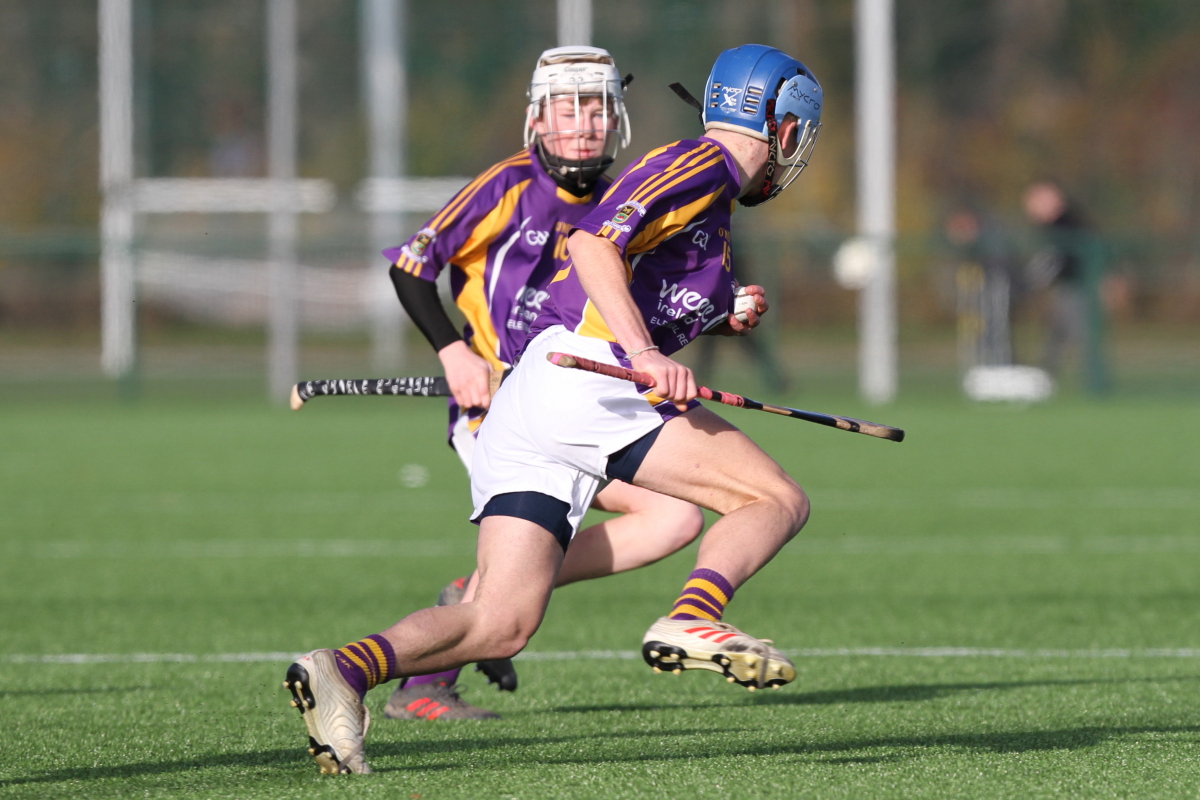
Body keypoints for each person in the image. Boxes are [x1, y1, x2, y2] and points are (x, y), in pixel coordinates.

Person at [283, 44, 821, 775]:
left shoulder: (707, 197)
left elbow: (647, 283)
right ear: (785, 130)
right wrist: (644, 355)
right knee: (774, 498)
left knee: (499, 622)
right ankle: (694, 616)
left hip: (536, 399)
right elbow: (594, 246)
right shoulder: (704, 166)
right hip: (584, 379)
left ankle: (342, 668)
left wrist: (723, 311)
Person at [376, 46, 704, 724]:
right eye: (567, 108)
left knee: (674, 516)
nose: (583, 124)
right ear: (537, 118)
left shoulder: (626, 200)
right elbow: (412, 266)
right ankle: (423, 684)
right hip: (497, 412)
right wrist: (453, 353)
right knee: (663, 515)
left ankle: (477, 594)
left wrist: (725, 311)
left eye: (596, 108)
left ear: (617, 118)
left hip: (579, 403)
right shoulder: (505, 186)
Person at [1022, 180, 1089, 376]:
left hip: (1078, 287)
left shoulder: (1067, 223)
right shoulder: (1053, 226)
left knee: (1078, 333)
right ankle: (1047, 373)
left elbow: (1053, 260)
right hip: (1067, 287)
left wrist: (1032, 280)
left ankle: (1091, 377)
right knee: (1057, 331)